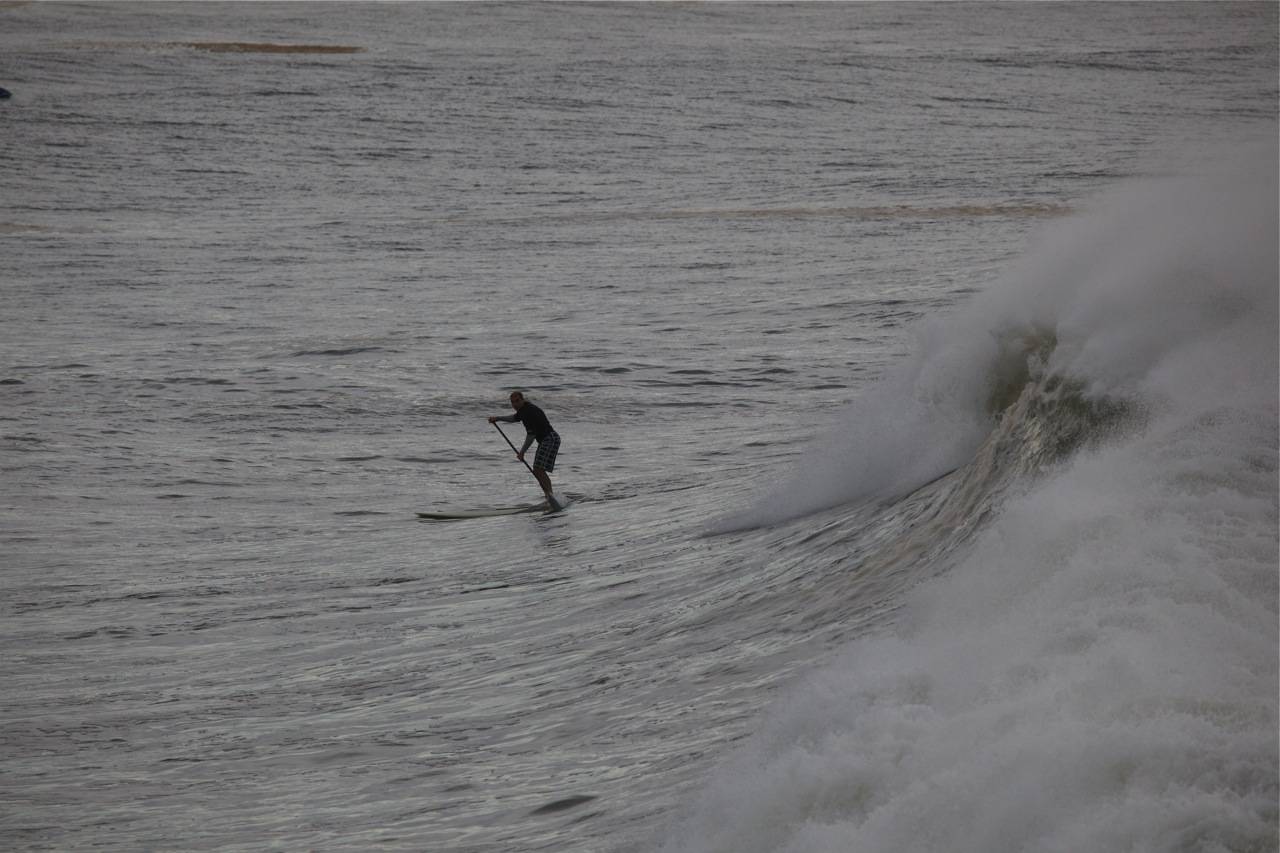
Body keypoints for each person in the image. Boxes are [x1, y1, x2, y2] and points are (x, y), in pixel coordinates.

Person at [488, 391, 560, 503]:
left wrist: (522, 453)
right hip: (549, 439)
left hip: (550, 439)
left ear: (522, 400)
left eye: (517, 401)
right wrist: (498, 418)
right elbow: (514, 418)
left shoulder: (529, 412)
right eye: (512, 402)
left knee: (538, 470)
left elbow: (531, 436)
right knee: (538, 470)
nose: (515, 404)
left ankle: (550, 496)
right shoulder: (524, 409)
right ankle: (549, 496)